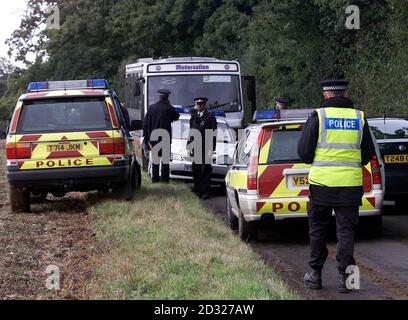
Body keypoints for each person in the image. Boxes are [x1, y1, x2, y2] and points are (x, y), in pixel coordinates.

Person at [297, 79, 375, 293]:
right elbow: (368, 154)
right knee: (346, 231)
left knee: (318, 229)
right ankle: (348, 281)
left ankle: (315, 276)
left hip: (321, 183)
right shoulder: (359, 117)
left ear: (326, 95)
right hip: (349, 185)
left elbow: (303, 153)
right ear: (345, 93)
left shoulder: (319, 117)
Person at [143, 89, 180, 183]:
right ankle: (164, 180)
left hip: (154, 138)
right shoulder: (169, 108)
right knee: (165, 161)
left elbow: (146, 124)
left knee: (155, 161)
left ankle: (155, 180)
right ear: (167, 97)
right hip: (165, 138)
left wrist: (147, 138)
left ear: (159, 97)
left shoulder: (151, 108)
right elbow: (176, 117)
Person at [187, 97, 217, 200]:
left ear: (204, 105)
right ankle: (197, 189)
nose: (199, 106)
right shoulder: (194, 116)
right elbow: (191, 131)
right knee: (196, 169)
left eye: (201, 104)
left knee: (205, 169)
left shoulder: (210, 117)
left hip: (205, 146)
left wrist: (211, 149)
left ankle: (205, 191)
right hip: (195, 146)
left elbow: (212, 134)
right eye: (198, 104)